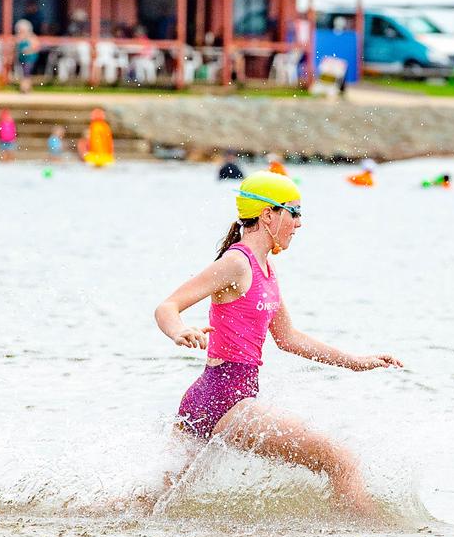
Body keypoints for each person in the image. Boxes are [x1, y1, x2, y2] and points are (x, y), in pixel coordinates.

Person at [153, 172, 402, 515]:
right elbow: (167, 306)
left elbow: (288, 338)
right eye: (294, 212)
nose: (299, 223)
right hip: (228, 399)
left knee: (152, 504)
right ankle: (374, 535)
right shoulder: (236, 263)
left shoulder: (264, 268)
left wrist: (356, 361)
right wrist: (179, 330)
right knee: (339, 460)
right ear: (269, 214)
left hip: (210, 397)